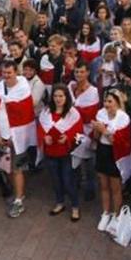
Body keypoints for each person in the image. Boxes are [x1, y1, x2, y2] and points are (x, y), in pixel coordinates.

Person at [0, 61, 37, 218]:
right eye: (4, 73)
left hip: (19, 137)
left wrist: (14, 136)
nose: (6, 76)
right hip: (3, 136)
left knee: (17, 168)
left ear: (16, 72)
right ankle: (17, 192)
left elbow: (25, 113)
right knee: (6, 167)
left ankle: (18, 200)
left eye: (9, 73)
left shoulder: (23, 88)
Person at [37, 84, 82, 221]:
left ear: (66, 97)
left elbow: (79, 130)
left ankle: (75, 206)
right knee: (56, 180)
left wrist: (67, 136)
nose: (58, 99)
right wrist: (44, 137)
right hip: (51, 152)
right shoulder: (46, 112)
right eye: (55, 96)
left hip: (66, 153)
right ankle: (60, 202)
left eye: (61, 96)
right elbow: (40, 128)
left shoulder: (73, 113)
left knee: (68, 181)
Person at [91, 90, 131, 233]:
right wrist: (96, 129)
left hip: (115, 154)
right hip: (102, 151)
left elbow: (119, 141)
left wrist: (104, 130)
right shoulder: (101, 113)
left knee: (115, 187)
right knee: (103, 185)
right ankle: (106, 212)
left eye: (110, 101)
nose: (106, 104)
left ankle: (116, 214)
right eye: (105, 101)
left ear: (117, 103)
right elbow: (96, 137)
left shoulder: (123, 118)